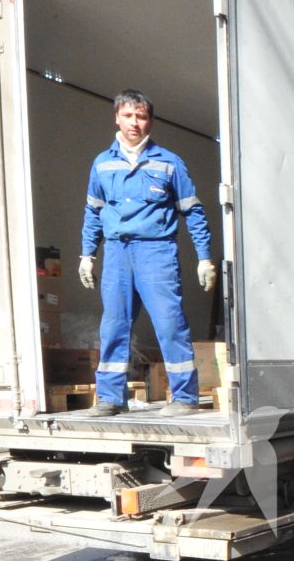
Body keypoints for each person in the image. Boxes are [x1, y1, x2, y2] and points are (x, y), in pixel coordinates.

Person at [79, 89, 214, 418]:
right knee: (113, 326)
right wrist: (87, 254)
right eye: (128, 115)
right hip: (116, 254)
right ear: (117, 118)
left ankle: (185, 397)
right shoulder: (103, 163)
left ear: (150, 120)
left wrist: (205, 257)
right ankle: (110, 398)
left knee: (170, 325)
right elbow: (93, 212)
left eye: (140, 116)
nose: (134, 123)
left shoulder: (169, 163)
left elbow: (193, 212)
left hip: (157, 253)